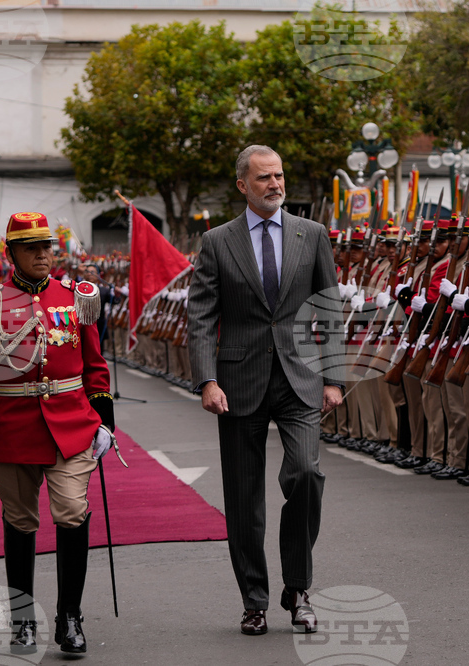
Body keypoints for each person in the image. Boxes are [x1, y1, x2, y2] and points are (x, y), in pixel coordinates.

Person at [0, 212, 113, 655]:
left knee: (71, 511)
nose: (43, 254)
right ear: (11, 253)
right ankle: (24, 620)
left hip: (71, 422)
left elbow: (95, 365)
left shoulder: (77, 296)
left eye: (47, 246)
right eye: (31, 247)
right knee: (20, 522)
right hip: (13, 426)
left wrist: (105, 420)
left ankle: (70, 616)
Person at [188, 145, 343, 636]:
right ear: (242, 185)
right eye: (263, 178)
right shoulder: (217, 241)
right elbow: (200, 316)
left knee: (305, 474)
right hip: (238, 383)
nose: (275, 184)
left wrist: (335, 377)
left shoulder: (312, 234)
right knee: (244, 498)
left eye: (279, 175)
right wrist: (207, 379)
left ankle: (297, 589)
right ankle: (253, 599)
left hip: (300, 378)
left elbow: (330, 309)